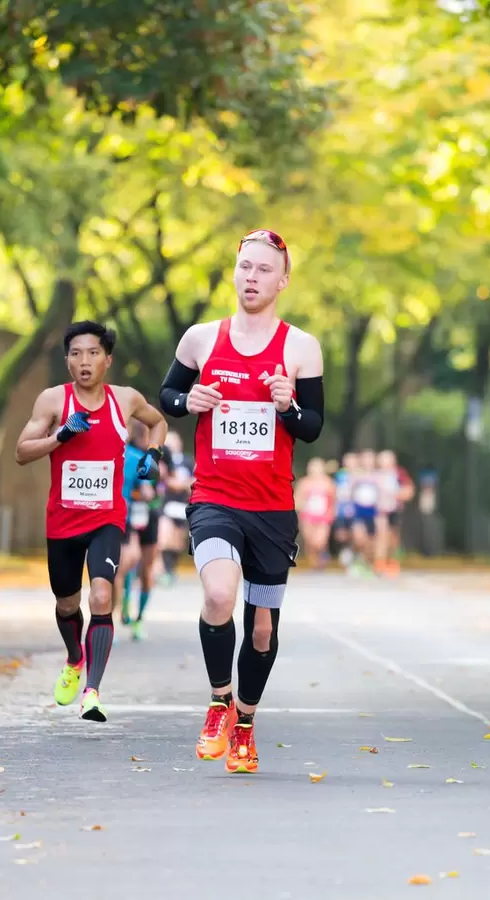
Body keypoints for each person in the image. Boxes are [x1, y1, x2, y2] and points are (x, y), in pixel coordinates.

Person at [159, 229, 324, 773]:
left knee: (262, 630)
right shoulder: (201, 339)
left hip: (272, 509)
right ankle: (218, 703)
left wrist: (287, 406)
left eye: (263, 269)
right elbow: (168, 395)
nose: (251, 277)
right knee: (217, 596)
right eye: (244, 267)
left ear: (283, 280)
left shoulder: (300, 347)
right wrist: (189, 399)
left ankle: (246, 725)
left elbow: (313, 426)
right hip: (215, 499)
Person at [15, 321, 167, 722]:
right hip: (63, 522)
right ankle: (74, 658)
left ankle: (93, 692)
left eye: (93, 353)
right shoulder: (53, 400)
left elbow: (158, 422)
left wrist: (154, 454)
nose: (84, 361)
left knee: (101, 595)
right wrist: (60, 436)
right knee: (67, 603)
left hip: (106, 518)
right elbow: (21, 452)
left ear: (107, 360)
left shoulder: (126, 399)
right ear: (67, 360)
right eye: (76, 353)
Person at [116, 421, 169, 640]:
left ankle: (135, 616)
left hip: (147, 515)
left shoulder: (159, 454)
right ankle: (129, 611)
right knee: (129, 563)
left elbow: (161, 484)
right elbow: (148, 489)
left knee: (142, 567)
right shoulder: (131, 455)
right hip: (130, 515)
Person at [158, 431, 194, 586]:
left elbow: (194, 480)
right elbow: (164, 480)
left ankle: (170, 569)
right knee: (164, 538)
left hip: (183, 506)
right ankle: (163, 571)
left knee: (177, 542)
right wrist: (177, 483)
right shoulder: (163, 461)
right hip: (167, 505)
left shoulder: (187, 461)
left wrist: (183, 484)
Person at [294, 457, 336, 569]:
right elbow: (296, 499)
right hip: (307, 516)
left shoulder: (328, 483)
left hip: (323, 516)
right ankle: (314, 562)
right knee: (309, 540)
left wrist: (331, 513)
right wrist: (302, 504)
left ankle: (323, 555)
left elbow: (334, 500)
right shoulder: (304, 483)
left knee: (320, 541)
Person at [333, 451, 358, 570]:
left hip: (356, 509)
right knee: (341, 535)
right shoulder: (339, 474)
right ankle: (345, 551)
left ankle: (352, 555)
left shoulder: (360, 474)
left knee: (356, 533)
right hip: (341, 508)